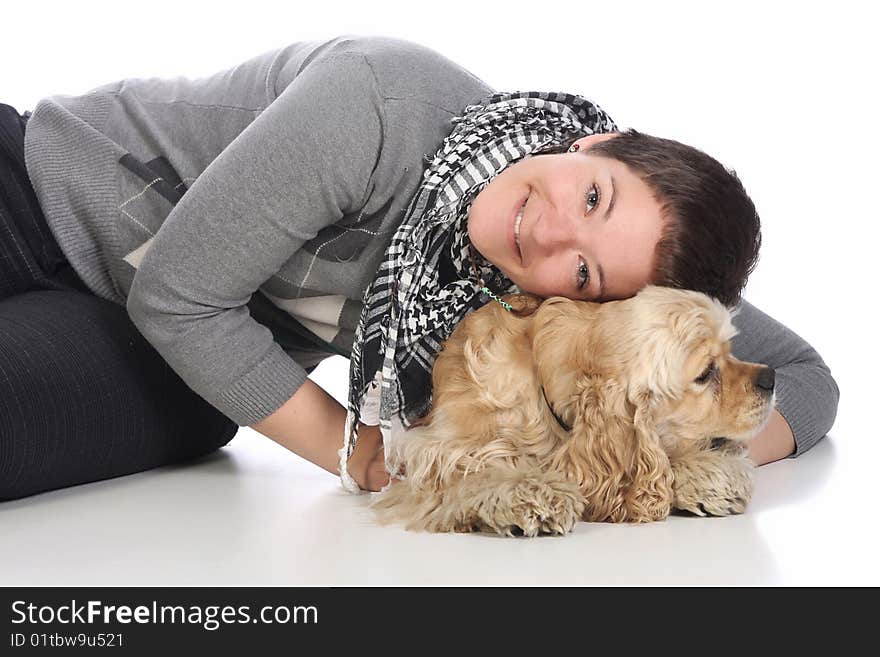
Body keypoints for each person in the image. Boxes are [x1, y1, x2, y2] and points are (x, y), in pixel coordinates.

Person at [0, 34, 839, 502]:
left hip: (189, 361)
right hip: (34, 198)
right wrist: (356, 451)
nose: (548, 234)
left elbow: (803, 380)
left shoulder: (577, 288)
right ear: (598, 142)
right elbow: (182, 292)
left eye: (584, 274)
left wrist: (681, 460)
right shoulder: (385, 104)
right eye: (591, 196)